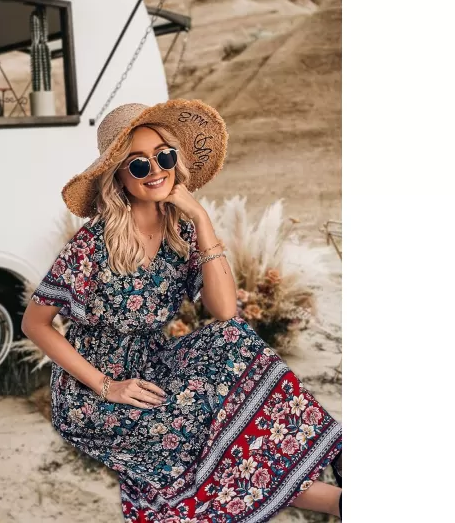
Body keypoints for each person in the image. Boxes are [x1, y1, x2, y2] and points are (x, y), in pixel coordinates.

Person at [22, 100, 343, 522]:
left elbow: (225, 311)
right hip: (91, 391)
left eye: (164, 157)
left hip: (154, 362)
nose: (155, 170)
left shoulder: (182, 231)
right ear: (118, 177)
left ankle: (339, 475)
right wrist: (107, 386)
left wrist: (202, 219)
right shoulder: (93, 244)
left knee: (232, 341)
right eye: (138, 164)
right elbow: (35, 323)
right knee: (199, 443)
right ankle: (335, 498)